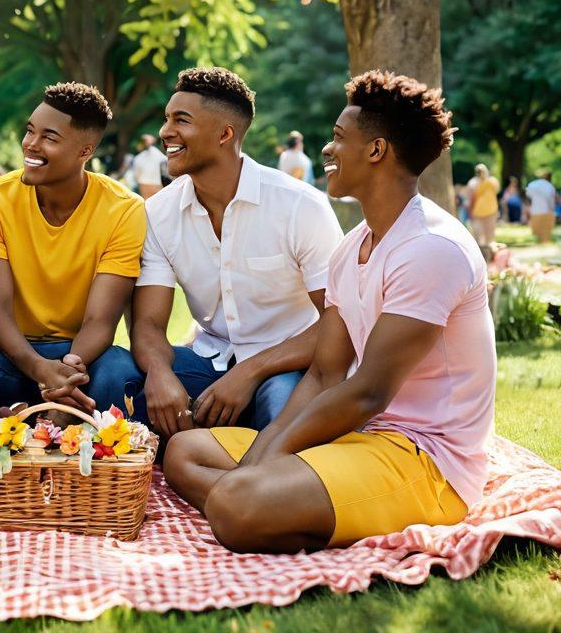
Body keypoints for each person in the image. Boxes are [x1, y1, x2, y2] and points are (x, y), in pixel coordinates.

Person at [164, 70, 494, 553]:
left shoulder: (430, 249)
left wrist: (263, 463)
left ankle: (257, 504)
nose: (326, 149)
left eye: (339, 138)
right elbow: (323, 373)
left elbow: (367, 392)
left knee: (236, 504)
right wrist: (265, 455)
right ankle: (270, 500)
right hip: (360, 439)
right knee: (183, 452)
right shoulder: (353, 248)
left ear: (376, 151)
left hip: (426, 461)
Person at [128, 68, 343, 442]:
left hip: (289, 364)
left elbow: (341, 322)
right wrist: (160, 374)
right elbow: (147, 323)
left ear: (225, 134)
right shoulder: (158, 213)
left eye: (181, 120)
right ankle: (206, 449)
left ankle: (239, 458)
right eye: (166, 119)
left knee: (283, 416)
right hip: (209, 361)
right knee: (118, 374)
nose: (165, 132)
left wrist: (251, 371)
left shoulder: (300, 206)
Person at [0, 82, 145, 426]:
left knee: (120, 375)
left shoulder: (124, 210)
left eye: (49, 137)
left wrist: (67, 372)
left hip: (81, 352)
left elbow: (101, 320)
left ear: (84, 150)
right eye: (30, 131)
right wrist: (41, 369)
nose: (31, 144)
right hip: (5, 351)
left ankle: (88, 460)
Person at [466, 163, 499, 257]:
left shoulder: (474, 183)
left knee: (483, 237)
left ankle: (486, 257)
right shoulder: (492, 181)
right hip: (487, 212)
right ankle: (486, 257)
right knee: (486, 237)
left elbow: (471, 199)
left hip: (484, 212)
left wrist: (470, 213)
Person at [131, 134, 168, 198]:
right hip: (158, 185)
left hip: (144, 185)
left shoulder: (138, 158)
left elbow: (136, 175)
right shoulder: (162, 157)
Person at [526, 170, 557, 244]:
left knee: (536, 234)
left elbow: (528, 197)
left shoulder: (532, 185)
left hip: (535, 211)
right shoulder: (550, 186)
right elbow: (552, 200)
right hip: (547, 212)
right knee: (545, 235)